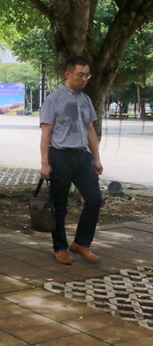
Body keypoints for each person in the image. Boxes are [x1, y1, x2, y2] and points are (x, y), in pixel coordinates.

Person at [40, 56, 104, 265]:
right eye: (80, 75)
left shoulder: (86, 100)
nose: (84, 79)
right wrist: (45, 162)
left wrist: (96, 158)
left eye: (87, 75)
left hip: (82, 157)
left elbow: (90, 130)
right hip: (60, 156)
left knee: (95, 199)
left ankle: (81, 244)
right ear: (68, 74)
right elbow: (46, 133)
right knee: (60, 205)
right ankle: (60, 248)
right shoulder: (53, 99)